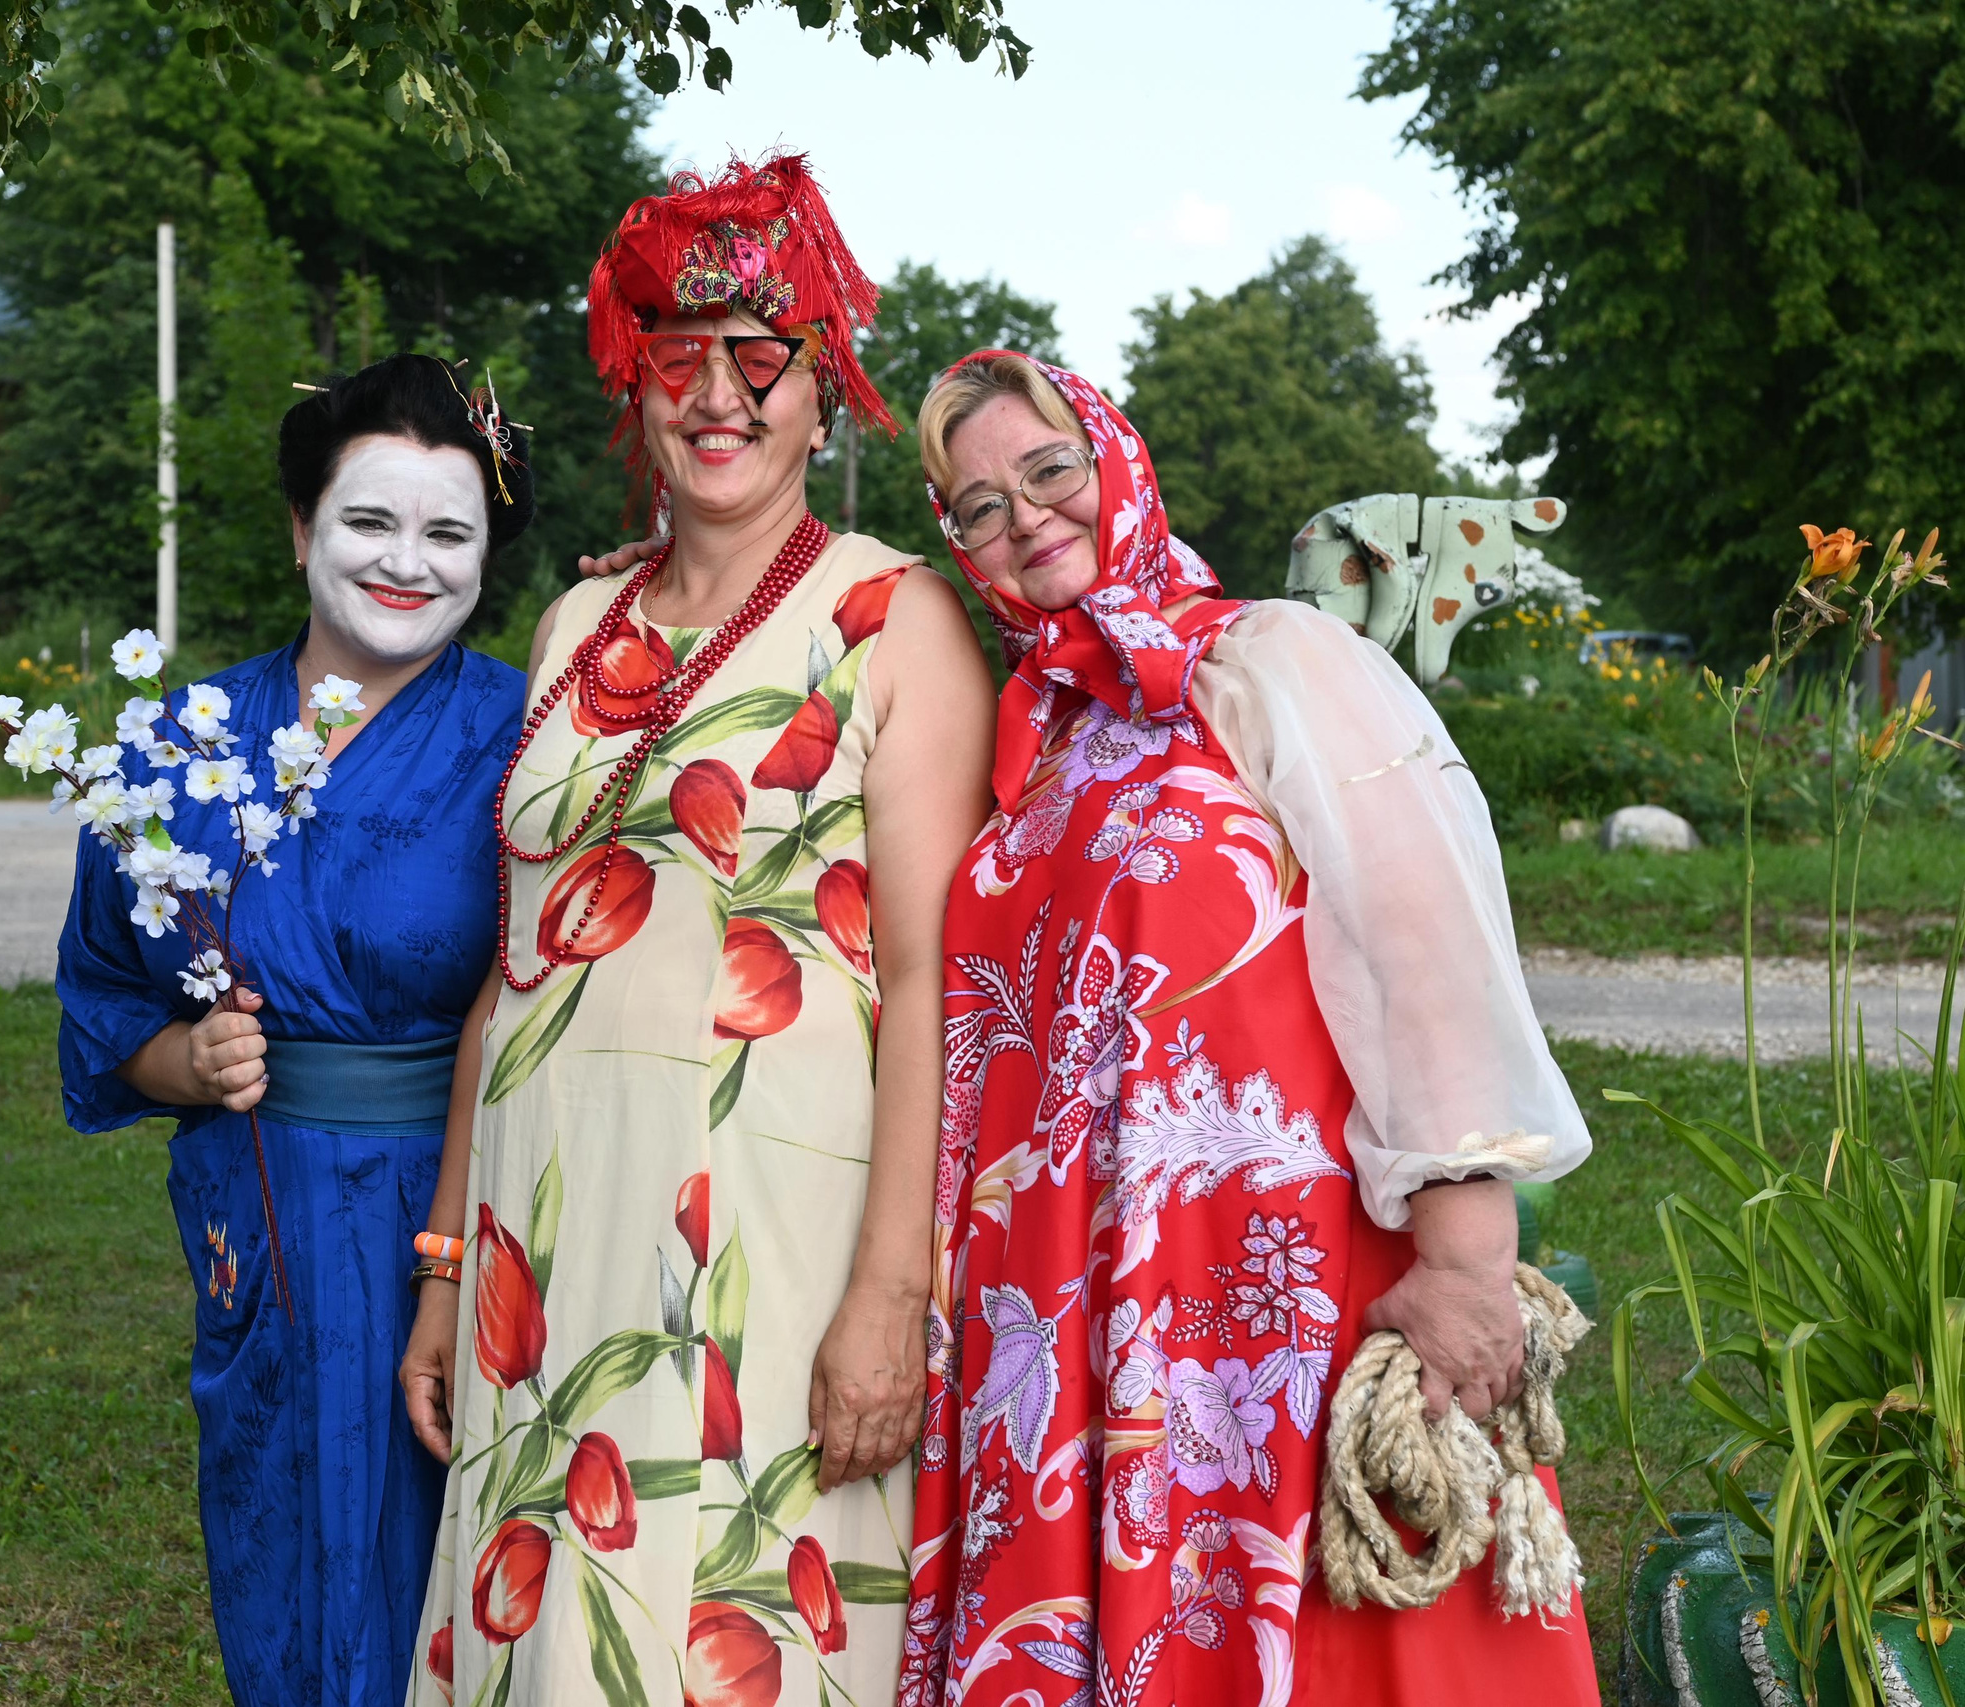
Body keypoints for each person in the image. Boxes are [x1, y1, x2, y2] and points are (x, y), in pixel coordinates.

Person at [897, 352, 1599, 1707]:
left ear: (1117, 463)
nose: (1025, 517)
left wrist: (1467, 1255)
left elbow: (1424, 945)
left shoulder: (1271, 656)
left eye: (1049, 470)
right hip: (1072, 1301)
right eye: (979, 507)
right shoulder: (1029, 736)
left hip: (1277, 1287)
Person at [395, 154, 997, 1707]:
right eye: (680, 356)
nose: (719, 394)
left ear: (824, 395)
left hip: (768, 1246)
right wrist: (451, 1268)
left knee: (728, 1633)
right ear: (634, 385)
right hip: (550, 1237)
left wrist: (893, 1295)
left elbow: (930, 983)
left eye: (762, 358)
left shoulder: (897, 621)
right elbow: (508, 970)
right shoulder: (573, 623)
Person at [56, 353, 533, 1707]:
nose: (407, 563)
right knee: (278, 1551)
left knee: (458, 1576)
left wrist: (454, 1258)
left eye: (449, 533)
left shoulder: (531, 739)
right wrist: (185, 1060)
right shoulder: (179, 744)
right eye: (369, 520)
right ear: (300, 527)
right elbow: (104, 994)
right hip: (257, 1217)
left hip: (463, 1212)